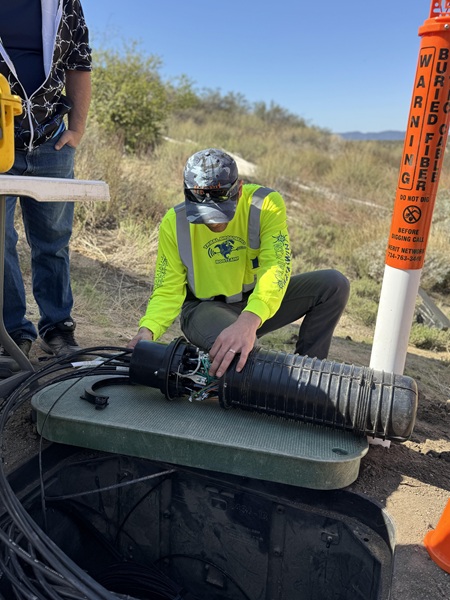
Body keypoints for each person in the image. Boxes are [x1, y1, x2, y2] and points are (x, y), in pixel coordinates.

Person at [128, 148, 350, 378]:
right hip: (205, 308)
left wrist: (249, 320)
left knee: (334, 284)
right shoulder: (174, 223)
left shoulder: (265, 205)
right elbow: (167, 289)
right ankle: (276, 380)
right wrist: (147, 332)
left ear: (239, 189)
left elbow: (276, 267)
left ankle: (312, 375)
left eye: (220, 212)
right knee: (242, 361)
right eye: (203, 214)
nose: (213, 223)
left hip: (256, 302)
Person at [0, 0, 92, 358]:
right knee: (0, 242)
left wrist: (77, 130)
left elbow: (79, 63)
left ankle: (57, 328)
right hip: (0, 144)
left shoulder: (63, 2)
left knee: (53, 240)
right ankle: (11, 333)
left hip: (51, 143)